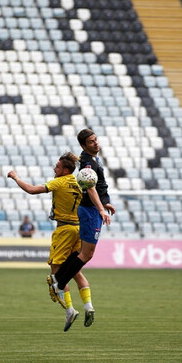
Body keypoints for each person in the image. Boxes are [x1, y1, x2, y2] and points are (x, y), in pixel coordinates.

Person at [8, 152, 94, 332]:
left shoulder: (59, 182)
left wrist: (15, 177)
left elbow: (32, 190)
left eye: (57, 166)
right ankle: (88, 306)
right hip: (80, 230)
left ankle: (70, 310)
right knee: (75, 270)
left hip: (64, 230)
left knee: (56, 273)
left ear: (65, 170)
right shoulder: (80, 182)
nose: (54, 169)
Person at [49, 129, 112, 322]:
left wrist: (105, 201)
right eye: (91, 142)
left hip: (90, 210)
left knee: (85, 254)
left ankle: (58, 280)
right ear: (84, 145)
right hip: (90, 211)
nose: (96, 143)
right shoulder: (87, 163)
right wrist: (101, 208)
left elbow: (98, 185)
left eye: (96, 140)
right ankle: (59, 282)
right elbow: (90, 187)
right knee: (86, 254)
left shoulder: (92, 159)